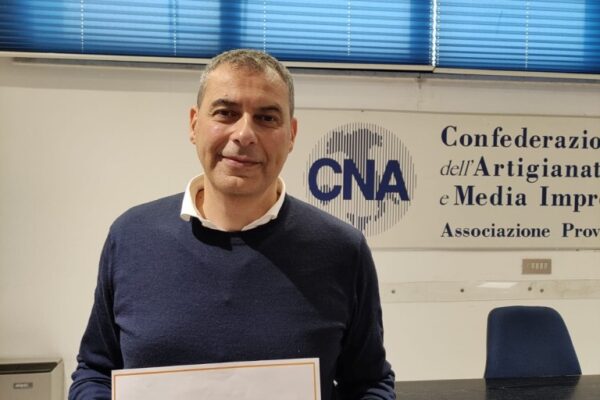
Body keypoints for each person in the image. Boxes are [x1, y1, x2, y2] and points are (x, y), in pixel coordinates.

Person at [69, 49, 395, 400]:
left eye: (266, 118)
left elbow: (369, 384)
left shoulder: (341, 250)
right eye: (226, 113)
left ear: (291, 134)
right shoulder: (131, 237)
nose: (244, 134)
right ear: (194, 124)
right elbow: (95, 371)